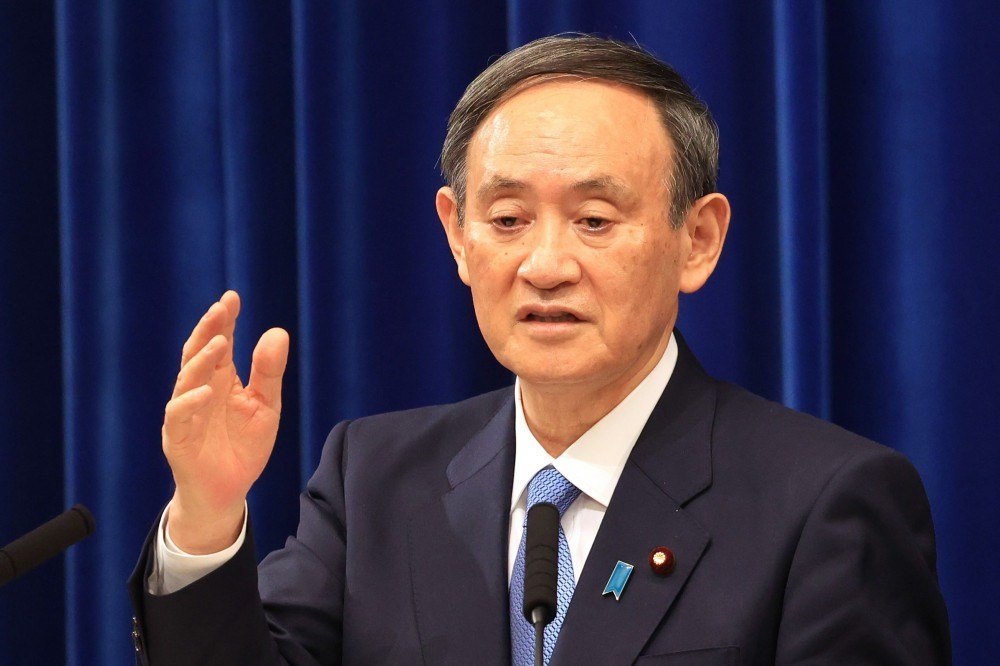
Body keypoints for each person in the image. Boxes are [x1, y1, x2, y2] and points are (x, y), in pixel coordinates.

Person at [127, 35, 950, 664]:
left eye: (594, 220)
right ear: (457, 235)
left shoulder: (825, 502)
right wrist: (207, 513)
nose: (546, 265)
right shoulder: (374, 477)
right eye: (508, 220)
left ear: (697, 239)